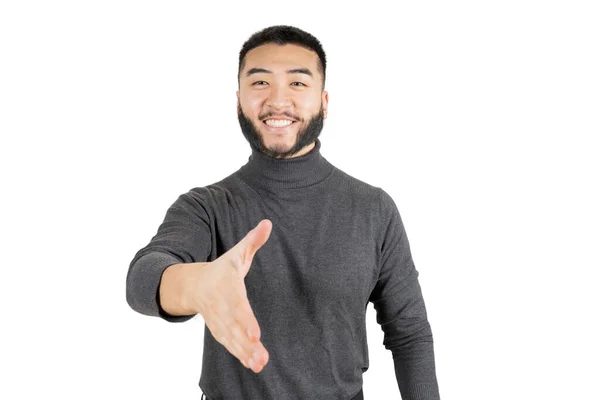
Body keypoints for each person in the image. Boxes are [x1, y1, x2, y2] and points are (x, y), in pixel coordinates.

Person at [126, 25, 440, 400]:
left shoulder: (373, 209)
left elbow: (409, 333)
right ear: (238, 100)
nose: (277, 100)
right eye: (259, 83)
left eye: (297, 83)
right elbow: (143, 278)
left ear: (324, 102)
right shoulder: (206, 206)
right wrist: (197, 285)